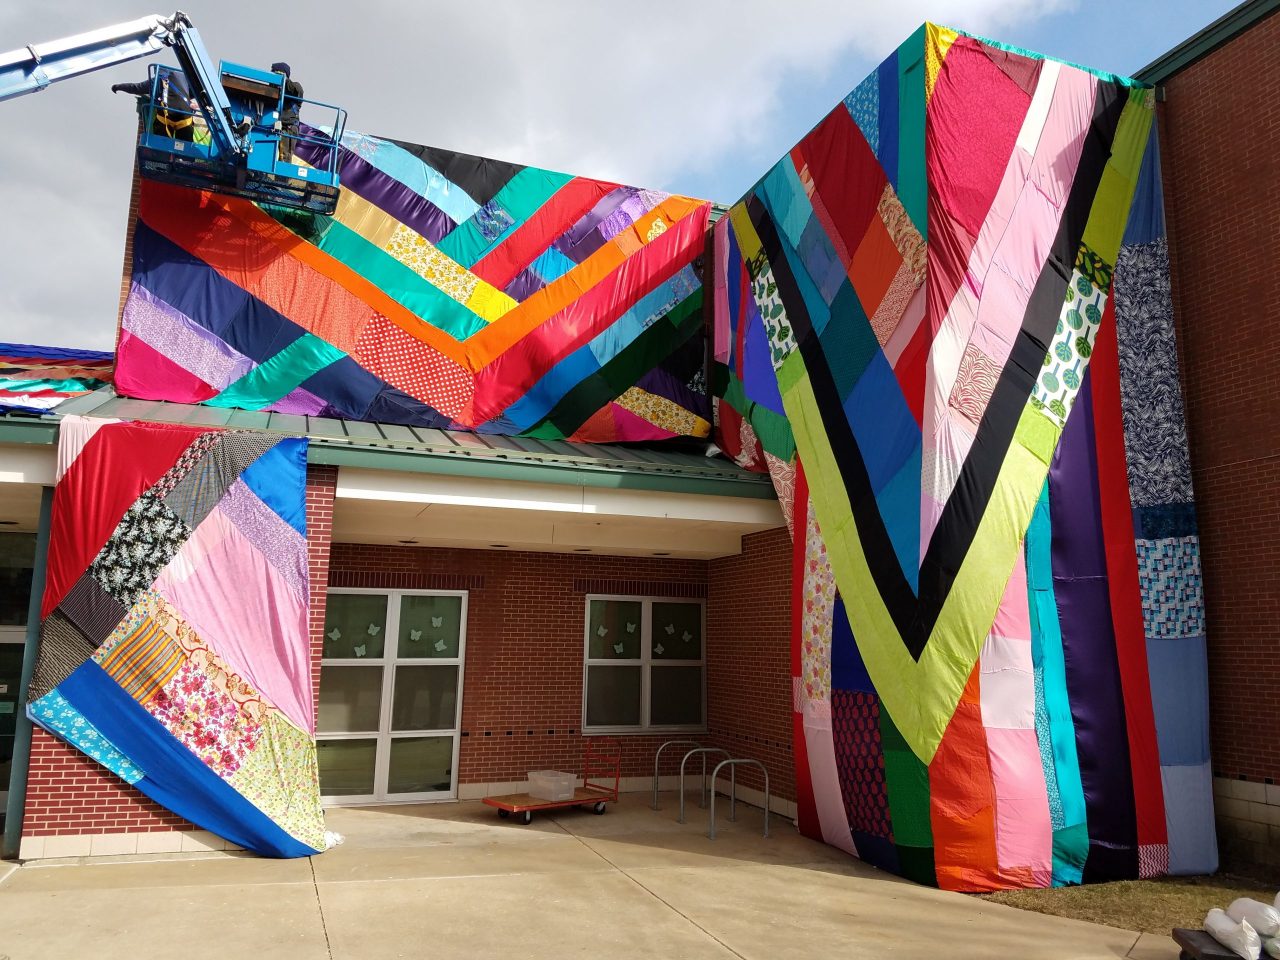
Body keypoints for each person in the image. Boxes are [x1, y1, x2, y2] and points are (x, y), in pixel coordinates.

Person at [111, 71, 197, 142]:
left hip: (166, 116)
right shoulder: (184, 80)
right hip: (185, 117)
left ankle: (163, 154)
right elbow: (197, 94)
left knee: (162, 143)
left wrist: (118, 87)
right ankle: (185, 160)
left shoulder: (158, 80)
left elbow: (136, 88)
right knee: (185, 145)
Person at [271, 61, 303, 162]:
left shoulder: (294, 89)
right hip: (273, 127)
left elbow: (298, 90)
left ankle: (281, 178)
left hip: (288, 129)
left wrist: (283, 80)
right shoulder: (272, 92)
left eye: (277, 74)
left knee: (284, 158)